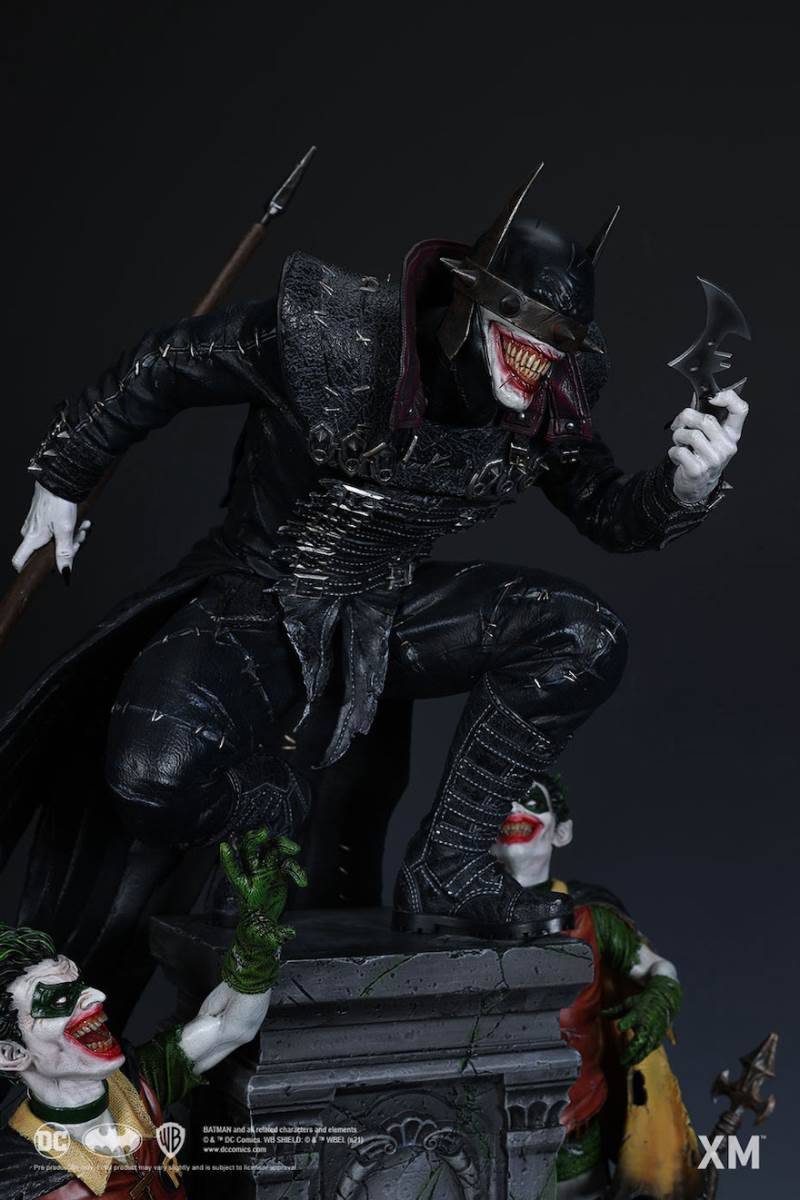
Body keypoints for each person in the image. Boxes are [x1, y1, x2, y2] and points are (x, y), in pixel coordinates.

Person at [2, 169, 747, 1007]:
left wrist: (683, 489)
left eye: (561, 336)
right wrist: (65, 474)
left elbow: (607, 510)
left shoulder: (546, 398)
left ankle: (451, 866)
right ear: (466, 296)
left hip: (386, 612)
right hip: (256, 592)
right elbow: (168, 364)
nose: (540, 351)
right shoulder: (333, 336)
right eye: (522, 320)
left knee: (584, 635)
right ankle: (267, 807)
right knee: (150, 774)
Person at [0, 828, 305, 1199]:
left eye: (80, 986)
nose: (96, 997)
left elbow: (231, 1027)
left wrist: (256, 946)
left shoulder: (135, 1085)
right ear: (12, 1053)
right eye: (60, 1001)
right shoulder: (18, 1180)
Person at [492, 777, 703, 1199]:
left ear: (562, 831)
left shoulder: (592, 918)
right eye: (500, 802)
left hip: (575, 1130)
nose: (514, 809)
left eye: (531, 800)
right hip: (483, 1131)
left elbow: (658, 968)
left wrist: (658, 999)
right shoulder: (451, 922)